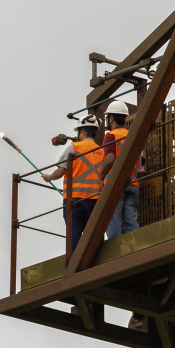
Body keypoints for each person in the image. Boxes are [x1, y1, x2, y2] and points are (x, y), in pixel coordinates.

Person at [42, 114, 104, 251]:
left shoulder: (74, 148)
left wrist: (49, 177)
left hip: (74, 200)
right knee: (93, 236)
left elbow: (60, 171)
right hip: (95, 200)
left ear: (83, 133)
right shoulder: (101, 151)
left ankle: (74, 261)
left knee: (74, 234)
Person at [100, 100, 141, 239]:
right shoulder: (133, 135)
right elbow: (142, 163)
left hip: (116, 185)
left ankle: (114, 248)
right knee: (131, 220)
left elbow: (110, 159)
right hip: (133, 184)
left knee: (113, 219)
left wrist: (101, 177)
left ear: (111, 118)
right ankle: (135, 245)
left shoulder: (110, 135)